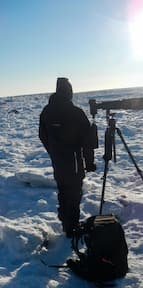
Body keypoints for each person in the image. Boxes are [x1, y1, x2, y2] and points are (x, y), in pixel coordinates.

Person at [39, 77, 96, 237]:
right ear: (69, 92)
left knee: (63, 191)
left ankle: (66, 223)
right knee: (73, 193)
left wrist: (53, 152)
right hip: (74, 162)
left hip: (58, 162)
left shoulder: (46, 111)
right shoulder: (75, 112)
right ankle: (72, 227)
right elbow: (87, 142)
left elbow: (42, 136)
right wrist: (89, 162)